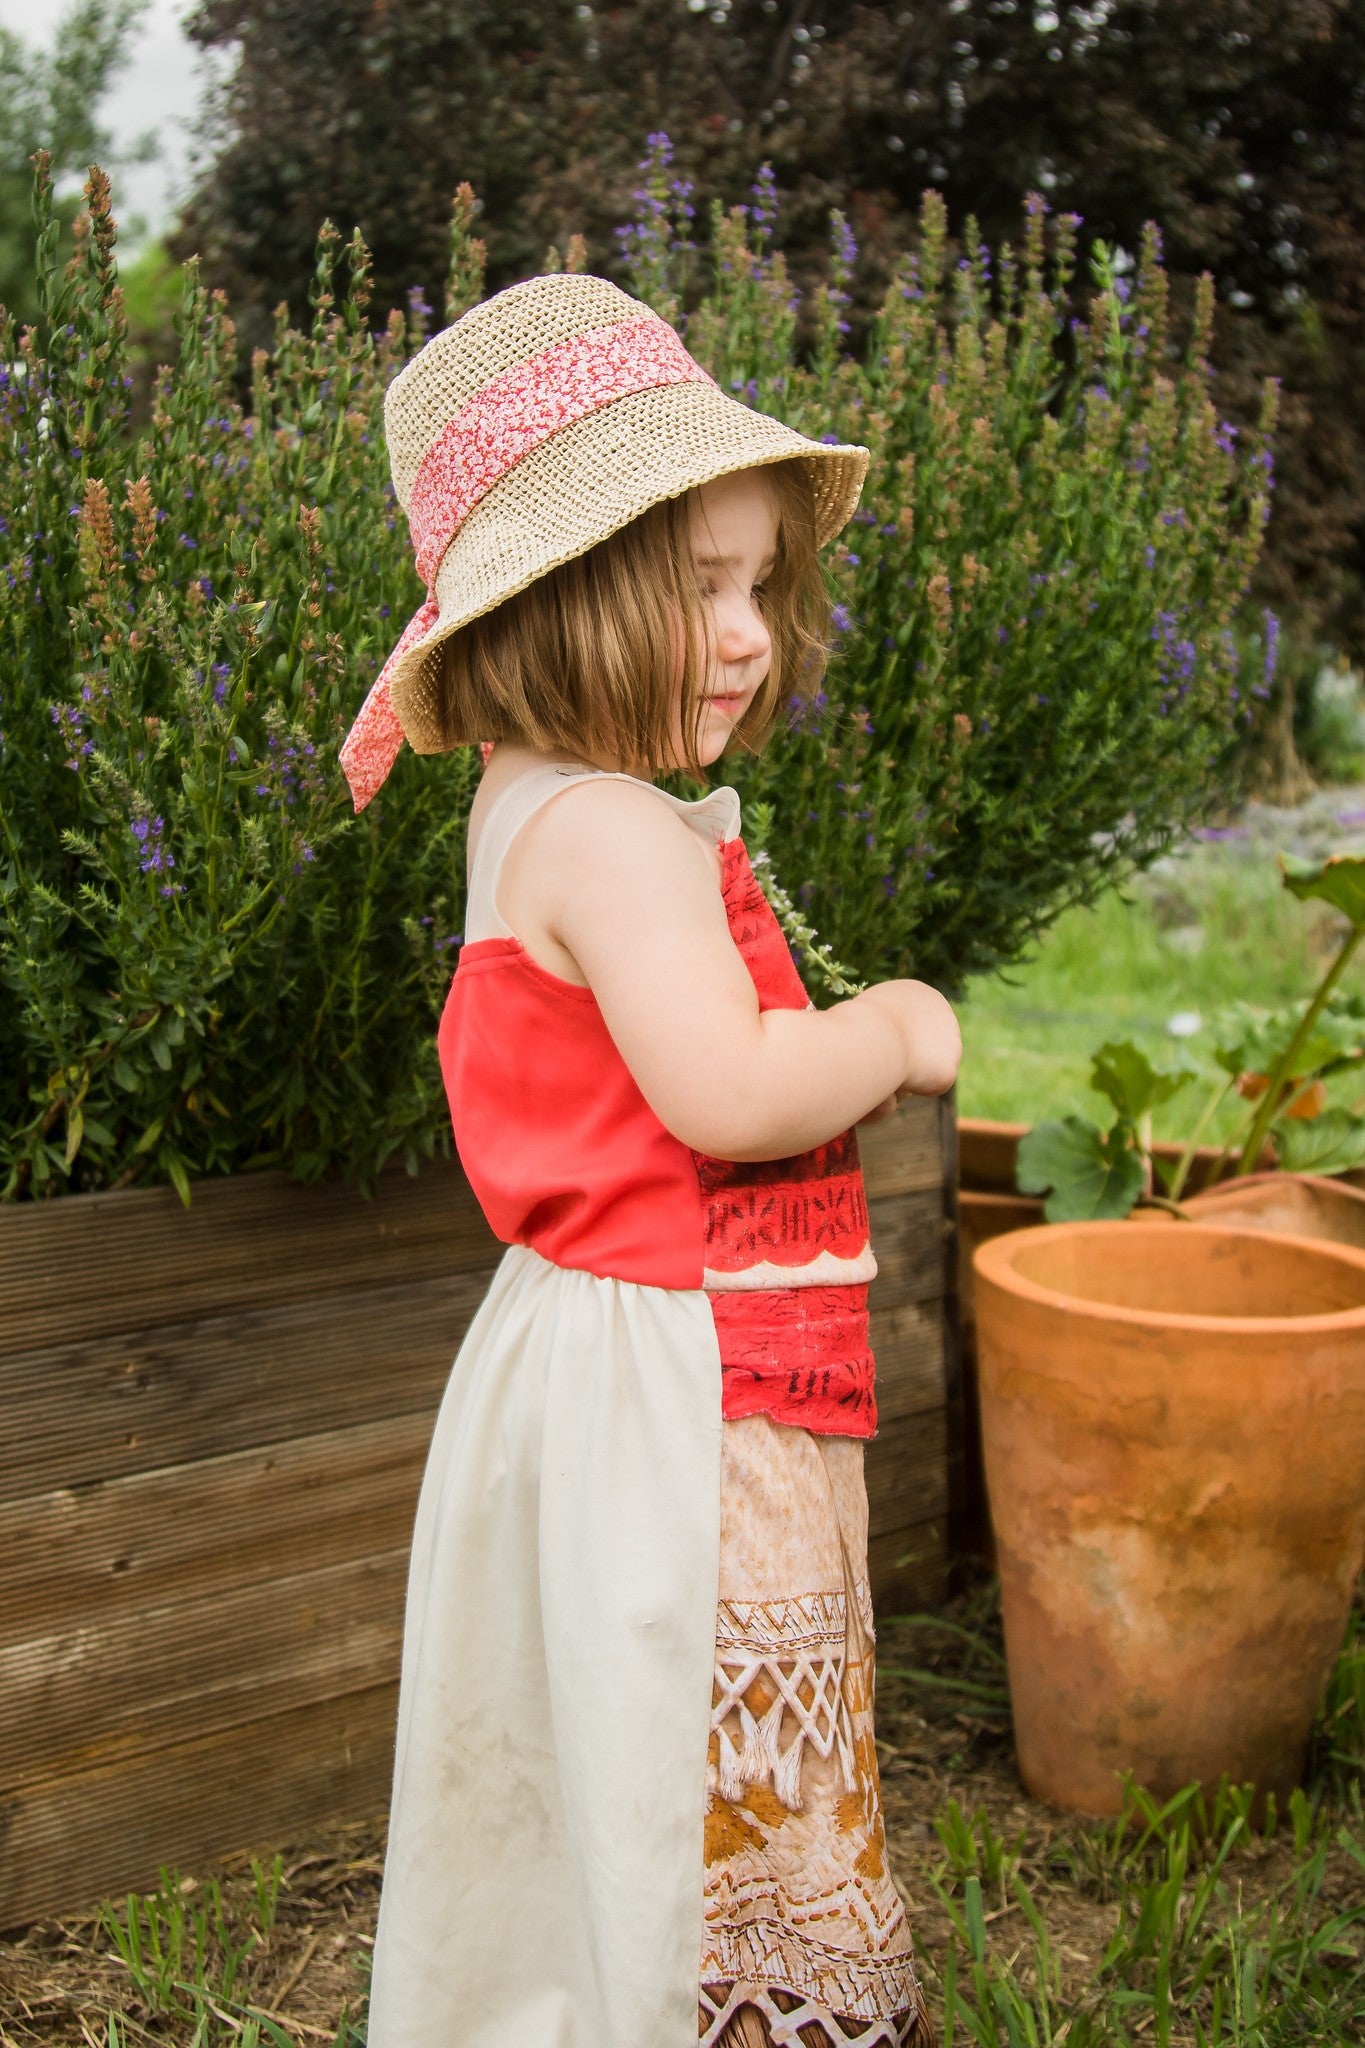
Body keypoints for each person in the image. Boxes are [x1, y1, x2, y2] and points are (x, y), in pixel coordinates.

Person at [339, 271, 959, 2048]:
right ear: (559, 597)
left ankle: (599, 1984)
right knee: (698, 1717)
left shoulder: (542, 803)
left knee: (610, 1732)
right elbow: (725, 1091)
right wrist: (897, 1029)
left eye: (759, 581)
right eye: (699, 586)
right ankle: (720, 2002)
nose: (752, 629)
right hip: (677, 1386)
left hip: (611, 1354)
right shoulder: (613, 836)